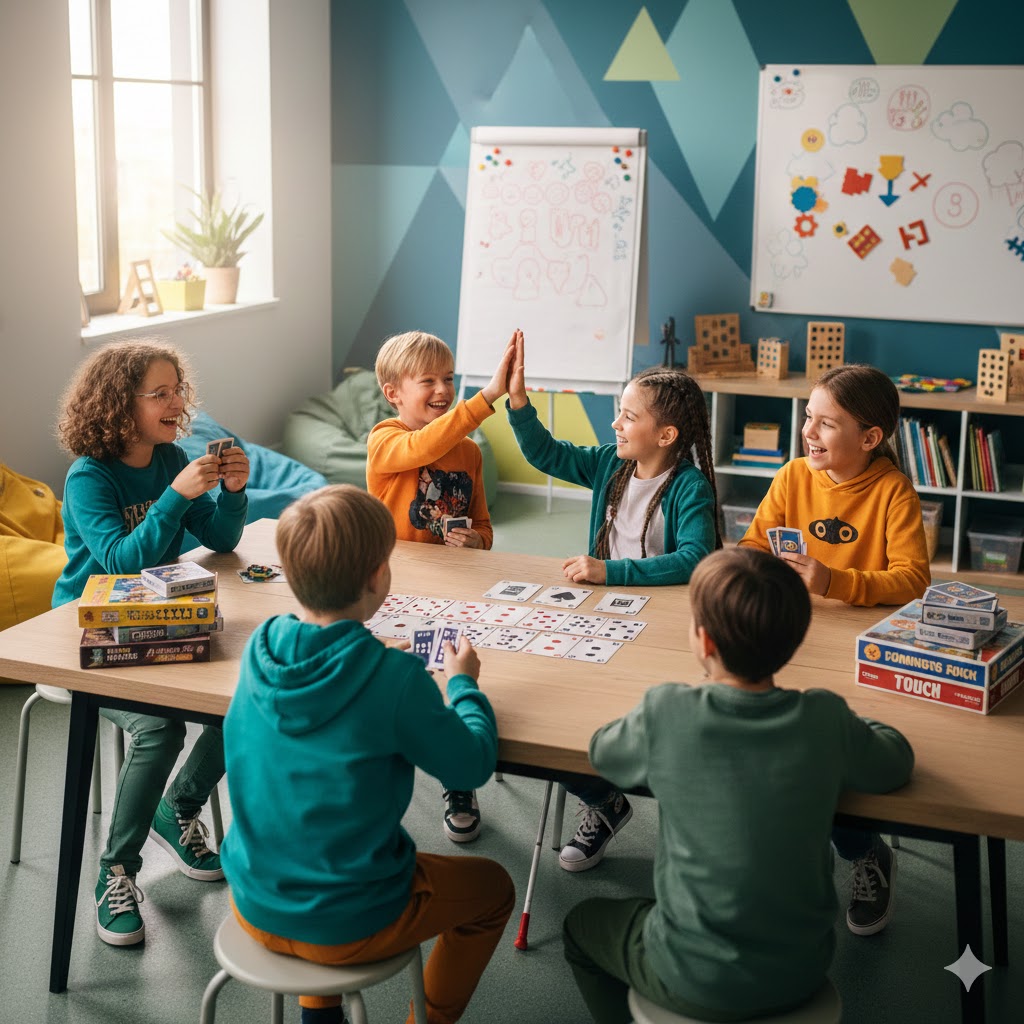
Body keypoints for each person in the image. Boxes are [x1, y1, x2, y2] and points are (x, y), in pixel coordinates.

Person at [562, 547, 914, 1024]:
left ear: (704, 642)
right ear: (795, 641)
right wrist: (852, 723)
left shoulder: (668, 710)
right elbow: (896, 761)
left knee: (580, 926)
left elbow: (603, 753)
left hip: (689, 977)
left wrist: (661, 705)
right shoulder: (825, 718)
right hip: (803, 969)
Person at [220, 485, 514, 1024]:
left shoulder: (262, 647)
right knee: (494, 889)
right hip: (345, 921)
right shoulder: (394, 678)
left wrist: (373, 658)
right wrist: (463, 686)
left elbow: (327, 686)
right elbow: (472, 764)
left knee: (313, 831)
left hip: (254, 899)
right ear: (378, 577)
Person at [52, 338, 249, 946]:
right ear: (120, 404)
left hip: (158, 621)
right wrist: (176, 496)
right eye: (159, 393)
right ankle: (116, 871)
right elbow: (118, 562)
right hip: (85, 634)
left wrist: (233, 493)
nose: (177, 402)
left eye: (177, 389)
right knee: (159, 727)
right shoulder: (88, 476)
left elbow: (219, 539)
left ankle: (179, 806)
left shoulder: (170, 458)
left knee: (250, 696)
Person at [505, 332, 720, 871]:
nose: (615, 424)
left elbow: (696, 558)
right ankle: (604, 802)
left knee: (646, 722)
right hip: (601, 618)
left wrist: (611, 572)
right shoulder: (609, 464)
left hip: (663, 631)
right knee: (551, 711)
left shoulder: (689, 486)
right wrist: (519, 402)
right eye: (619, 413)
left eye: (628, 416)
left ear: (666, 435)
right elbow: (546, 453)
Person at [739, 362, 930, 935]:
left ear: (870, 438)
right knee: (769, 740)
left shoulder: (893, 491)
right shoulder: (792, 476)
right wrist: (755, 567)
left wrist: (834, 581)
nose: (809, 432)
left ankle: (864, 851)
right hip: (792, 634)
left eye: (826, 423)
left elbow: (913, 580)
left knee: (829, 757)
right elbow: (754, 543)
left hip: (862, 646)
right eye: (808, 418)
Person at [367, 328, 516, 844]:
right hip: (394, 592)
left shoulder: (470, 453)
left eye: (448, 379)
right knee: (400, 683)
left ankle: (458, 781)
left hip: (455, 592)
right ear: (393, 393)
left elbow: (485, 528)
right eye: (427, 380)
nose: (442, 389)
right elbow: (424, 444)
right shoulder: (385, 439)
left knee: (454, 680)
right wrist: (487, 396)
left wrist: (476, 541)